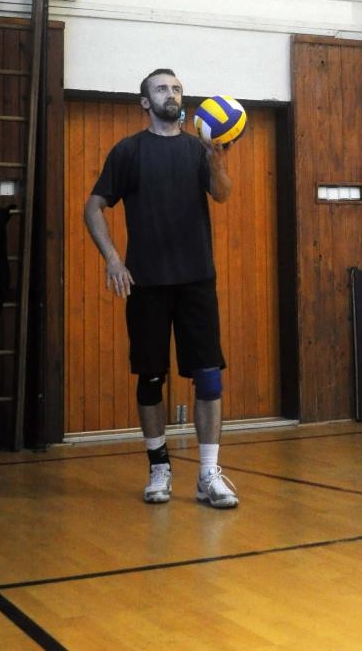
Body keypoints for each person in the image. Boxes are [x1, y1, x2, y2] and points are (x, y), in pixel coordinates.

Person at [84, 68, 239, 508]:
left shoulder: (197, 149)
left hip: (197, 280)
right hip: (147, 283)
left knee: (208, 376)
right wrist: (113, 259)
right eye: (161, 89)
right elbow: (93, 207)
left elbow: (223, 194)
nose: (170, 94)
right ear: (145, 102)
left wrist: (217, 161)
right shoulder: (128, 151)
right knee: (151, 377)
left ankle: (208, 474)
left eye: (176, 88)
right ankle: (159, 468)